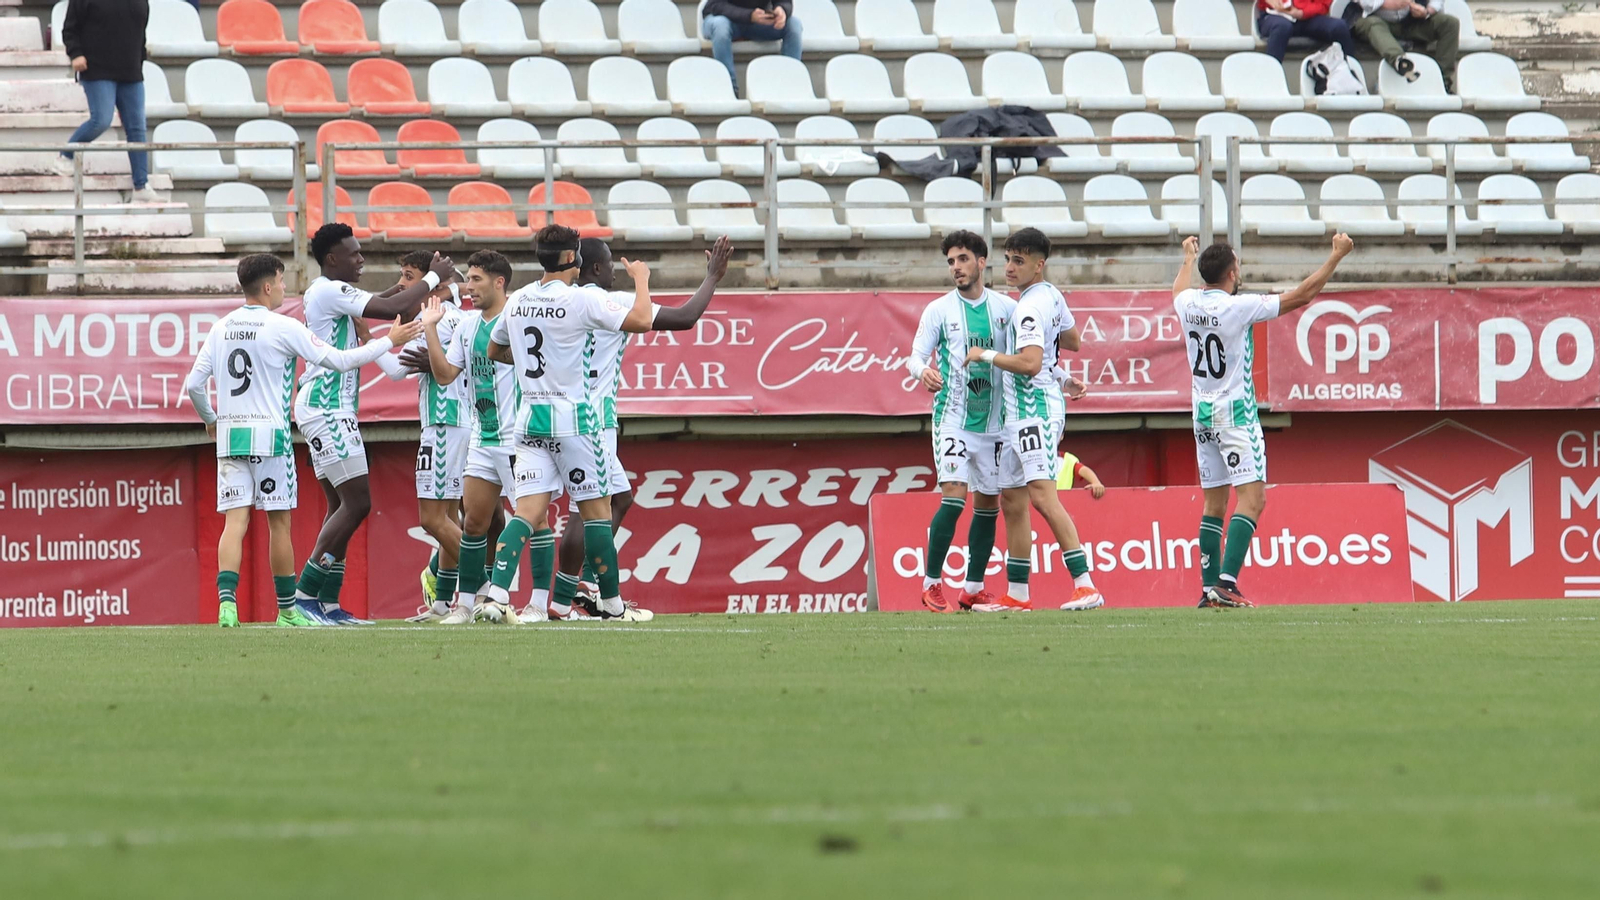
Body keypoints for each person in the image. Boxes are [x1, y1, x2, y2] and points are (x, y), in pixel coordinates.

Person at [183, 254, 423, 627]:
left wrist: (211, 421)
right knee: (279, 524)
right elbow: (339, 361)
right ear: (267, 287)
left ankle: (227, 605)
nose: (284, 288)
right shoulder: (283, 326)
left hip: (230, 437)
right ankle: (288, 610)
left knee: (235, 522)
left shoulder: (220, 328)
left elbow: (194, 385)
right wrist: (387, 341)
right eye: (281, 281)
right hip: (271, 437)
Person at [543, 235, 736, 622]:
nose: (616, 271)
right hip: (592, 420)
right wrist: (712, 277)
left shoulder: (561, 304)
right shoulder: (611, 303)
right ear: (596, 268)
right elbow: (685, 318)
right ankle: (570, 596)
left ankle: (580, 588)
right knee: (588, 510)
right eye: (611, 264)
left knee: (618, 499)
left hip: (556, 413)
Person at [473, 225, 658, 624]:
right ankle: (613, 605)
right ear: (573, 257)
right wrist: (641, 280)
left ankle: (496, 597)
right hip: (574, 421)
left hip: (530, 421)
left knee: (526, 512)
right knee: (597, 513)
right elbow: (643, 319)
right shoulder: (579, 300)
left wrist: (531, 368)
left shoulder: (519, 299)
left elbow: (494, 349)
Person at [1173, 233, 1354, 608]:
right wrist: (1337, 256)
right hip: (1235, 414)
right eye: (1237, 266)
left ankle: (1209, 590)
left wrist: (1187, 258)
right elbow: (1302, 296)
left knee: (1213, 504)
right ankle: (1226, 584)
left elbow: (1177, 289)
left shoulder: (1187, 302)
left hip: (1201, 413)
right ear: (1231, 273)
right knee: (1253, 500)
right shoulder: (1238, 307)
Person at [289, 223, 453, 625]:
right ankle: (304, 596)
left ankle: (327, 604)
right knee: (358, 503)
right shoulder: (329, 290)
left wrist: (407, 287)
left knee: (340, 506)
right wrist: (433, 277)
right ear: (332, 259)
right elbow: (386, 308)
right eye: (354, 253)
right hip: (327, 407)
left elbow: (387, 300)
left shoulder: (331, 292)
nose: (362, 259)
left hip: (329, 407)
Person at [963, 227, 1105, 612]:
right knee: (1012, 499)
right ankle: (1018, 593)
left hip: (1034, 411)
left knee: (1042, 495)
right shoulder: (1050, 295)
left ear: (1039, 265)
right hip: (1019, 412)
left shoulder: (1027, 308)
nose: (1010, 267)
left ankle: (1085, 585)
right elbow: (1071, 340)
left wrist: (984, 355)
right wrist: (1062, 376)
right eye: (1008, 259)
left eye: (1019, 261)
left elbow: (1029, 363)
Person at [906, 231, 1031, 614]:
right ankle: (931, 583)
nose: (956, 268)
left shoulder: (1006, 308)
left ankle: (973, 588)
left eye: (962, 259)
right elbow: (914, 357)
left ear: (981, 261)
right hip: (954, 420)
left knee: (988, 503)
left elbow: (1029, 355)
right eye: (950, 262)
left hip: (995, 425)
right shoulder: (939, 310)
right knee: (955, 496)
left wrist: (1063, 379)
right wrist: (923, 372)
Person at [414, 250, 528, 624]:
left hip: (516, 438)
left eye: (476, 279)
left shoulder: (518, 320)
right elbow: (444, 375)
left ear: (499, 282)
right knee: (474, 525)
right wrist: (430, 329)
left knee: (532, 522)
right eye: (468, 279)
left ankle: (541, 604)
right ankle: (464, 606)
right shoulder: (466, 327)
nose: (469, 287)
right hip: (482, 437)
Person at [56, 0, 163, 202]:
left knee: (137, 127)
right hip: (96, 69)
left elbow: (140, 30)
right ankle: (67, 154)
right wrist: (75, 53)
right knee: (101, 120)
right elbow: (70, 28)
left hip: (130, 71)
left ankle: (141, 185)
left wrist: (139, 59)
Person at [1350, 0, 1461, 92]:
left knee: (1450, 23)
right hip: (1374, 19)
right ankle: (1399, 60)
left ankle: (1443, 82)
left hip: (1411, 22)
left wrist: (1427, 11)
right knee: (1372, 24)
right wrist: (1386, 3)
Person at [701, 0, 802, 96]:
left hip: (756, 21)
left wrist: (782, 10)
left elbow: (784, 2)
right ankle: (729, 88)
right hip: (722, 18)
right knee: (720, 27)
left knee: (793, 24)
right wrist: (749, 15)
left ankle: (789, 85)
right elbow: (715, 5)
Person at [1255, 0, 1360, 62]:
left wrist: (1302, 13)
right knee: (1282, 27)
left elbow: (1323, 4)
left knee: (1339, 27)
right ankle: (1270, 78)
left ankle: (1350, 74)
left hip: (1306, 17)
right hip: (1273, 15)